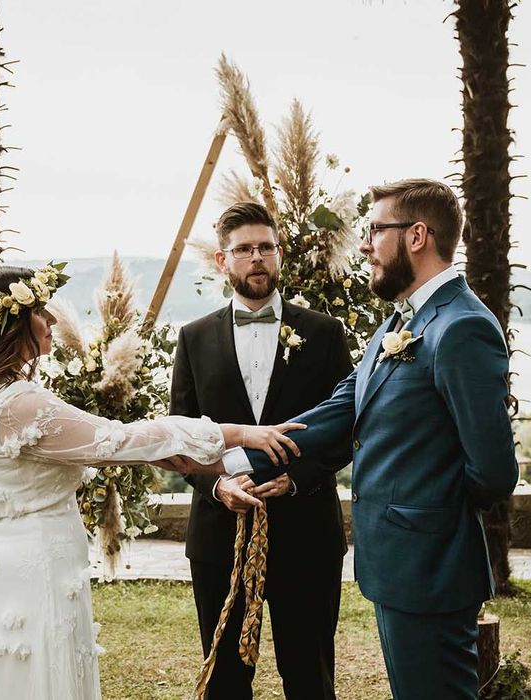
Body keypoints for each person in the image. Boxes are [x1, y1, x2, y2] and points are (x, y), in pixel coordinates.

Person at [188, 179, 520, 700]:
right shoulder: (401, 320)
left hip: (428, 563)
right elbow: (340, 409)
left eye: (373, 231)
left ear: (416, 237)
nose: (364, 245)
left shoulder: (460, 326)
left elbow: (495, 472)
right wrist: (221, 455)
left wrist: (425, 516)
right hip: (397, 568)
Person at [0, 261, 300, 700]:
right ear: (11, 323)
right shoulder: (19, 404)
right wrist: (240, 433)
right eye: (40, 311)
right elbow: (119, 439)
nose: (51, 320)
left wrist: (216, 466)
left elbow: (116, 447)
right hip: (35, 573)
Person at [170, 202, 353, 699]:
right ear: (222, 260)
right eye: (245, 249)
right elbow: (180, 439)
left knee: (310, 679)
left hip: (306, 532)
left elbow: (346, 429)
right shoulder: (192, 338)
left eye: (266, 248)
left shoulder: (324, 332)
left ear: (279, 254)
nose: (257, 258)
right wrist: (217, 484)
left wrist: (300, 478)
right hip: (219, 535)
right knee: (225, 684)